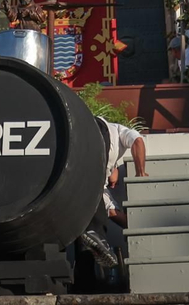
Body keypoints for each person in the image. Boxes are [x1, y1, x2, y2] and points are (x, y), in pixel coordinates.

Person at [77, 116, 146, 270]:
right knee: (93, 202)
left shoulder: (99, 184)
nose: (113, 183)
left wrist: (135, 226)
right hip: (97, 130)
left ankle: (92, 240)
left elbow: (112, 212)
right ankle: (95, 233)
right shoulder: (118, 131)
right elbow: (138, 141)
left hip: (80, 157)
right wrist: (141, 173)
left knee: (89, 206)